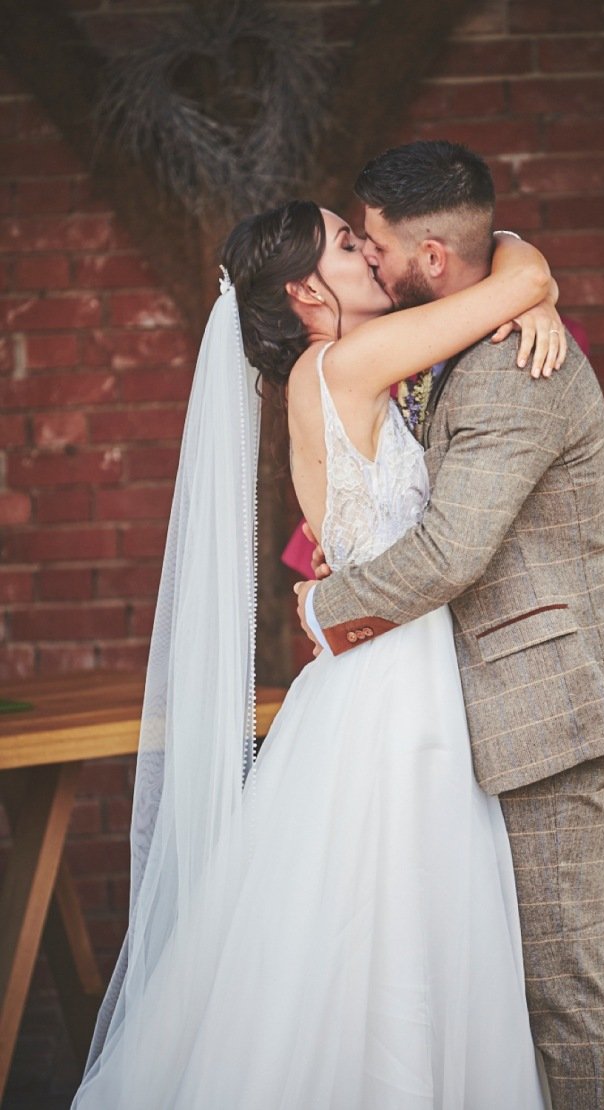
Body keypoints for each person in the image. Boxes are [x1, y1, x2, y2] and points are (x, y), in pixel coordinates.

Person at [71, 181, 565, 1107]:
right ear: (305, 291)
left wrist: (530, 290)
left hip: (385, 667)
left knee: (373, 928)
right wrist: (533, 283)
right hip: (393, 686)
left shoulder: (338, 368)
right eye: (348, 246)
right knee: (395, 919)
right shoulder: (343, 365)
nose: (369, 255)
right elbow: (514, 276)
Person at [297, 140, 604, 1110]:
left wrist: (319, 610)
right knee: (487, 985)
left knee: (557, 989)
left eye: (373, 246)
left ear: (429, 259)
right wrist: (523, 273)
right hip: (464, 705)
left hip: (543, 708)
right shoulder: (465, 328)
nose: (370, 264)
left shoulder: (515, 369)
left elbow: (447, 555)